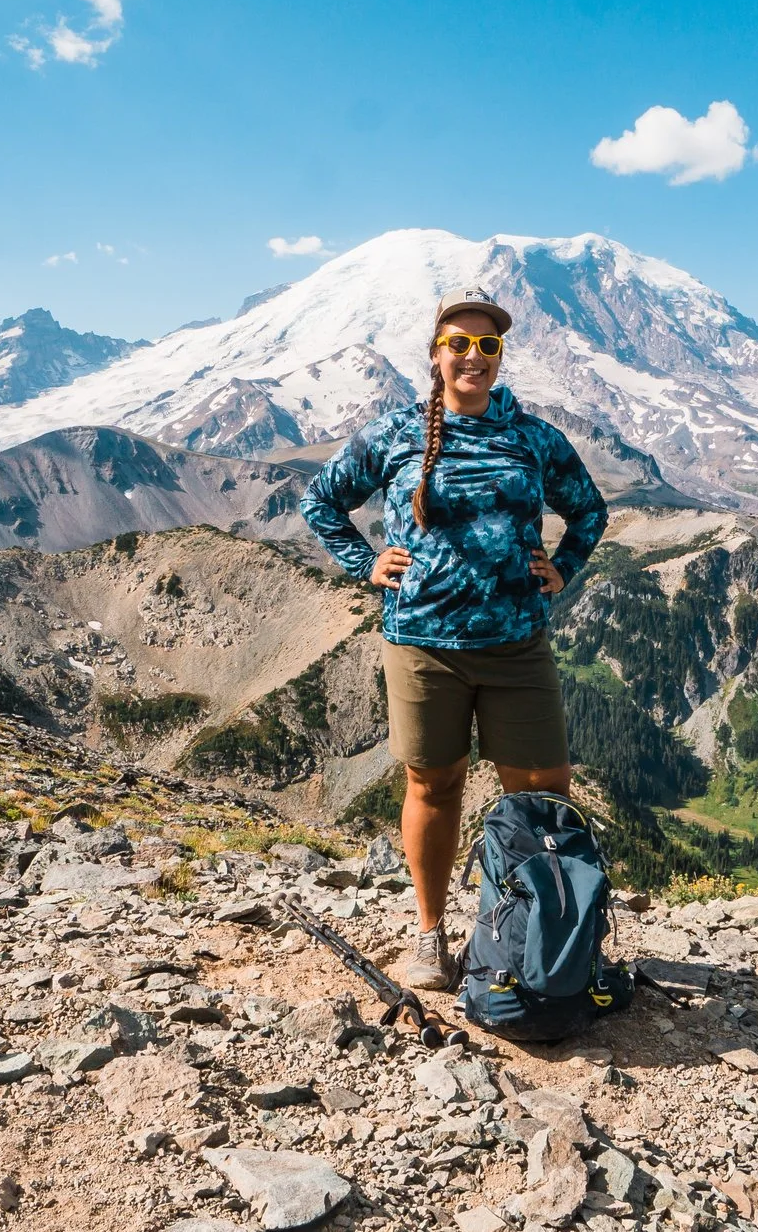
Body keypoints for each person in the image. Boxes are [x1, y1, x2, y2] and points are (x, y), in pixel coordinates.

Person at [298, 288, 608, 991]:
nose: (474, 355)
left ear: (500, 356)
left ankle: (531, 936)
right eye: (460, 343)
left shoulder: (532, 436)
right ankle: (431, 936)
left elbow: (589, 510)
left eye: (488, 344)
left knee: (545, 797)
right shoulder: (396, 431)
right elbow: (322, 500)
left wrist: (563, 566)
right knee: (432, 784)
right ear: (436, 354)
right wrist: (365, 561)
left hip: (516, 645)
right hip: (423, 643)